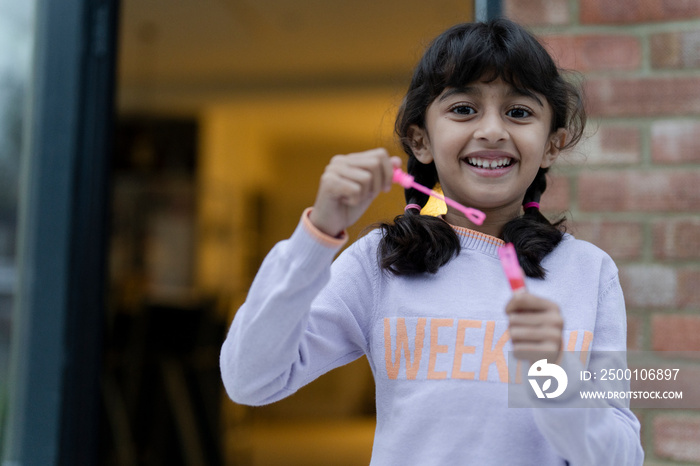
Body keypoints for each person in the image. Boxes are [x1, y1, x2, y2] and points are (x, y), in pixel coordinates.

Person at [220, 18, 644, 465]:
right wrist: (317, 236)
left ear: (553, 145)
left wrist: (554, 378)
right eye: (463, 109)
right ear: (421, 140)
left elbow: (620, 458)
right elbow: (251, 378)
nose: (492, 131)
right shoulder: (381, 262)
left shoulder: (589, 272)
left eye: (519, 112)